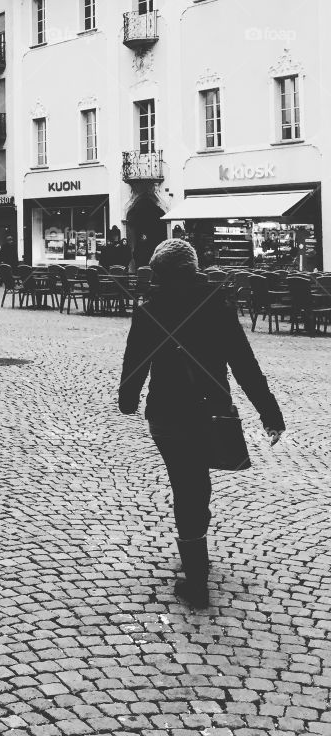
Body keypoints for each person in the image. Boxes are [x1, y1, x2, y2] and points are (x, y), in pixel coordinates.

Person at [118, 238, 284, 610]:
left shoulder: (150, 309)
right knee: (196, 484)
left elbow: (135, 362)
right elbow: (245, 365)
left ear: (159, 274)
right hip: (210, 411)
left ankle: (196, 576)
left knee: (188, 483)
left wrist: (128, 400)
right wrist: (269, 413)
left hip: (167, 413)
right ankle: (196, 555)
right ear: (194, 270)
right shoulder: (217, 308)